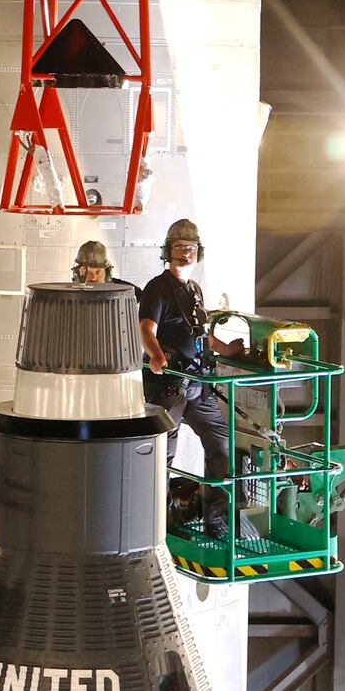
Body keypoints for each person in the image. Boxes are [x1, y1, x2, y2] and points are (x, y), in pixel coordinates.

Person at [138, 217, 243, 539]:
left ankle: (218, 519)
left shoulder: (194, 290)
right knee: (162, 456)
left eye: (191, 248)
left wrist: (229, 351)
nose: (186, 254)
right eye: (180, 248)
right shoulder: (158, 288)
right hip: (170, 386)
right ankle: (159, 524)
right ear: (167, 252)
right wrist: (156, 355)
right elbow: (146, 328)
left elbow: (202, 336)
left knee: (222, 445)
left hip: (197, 382)